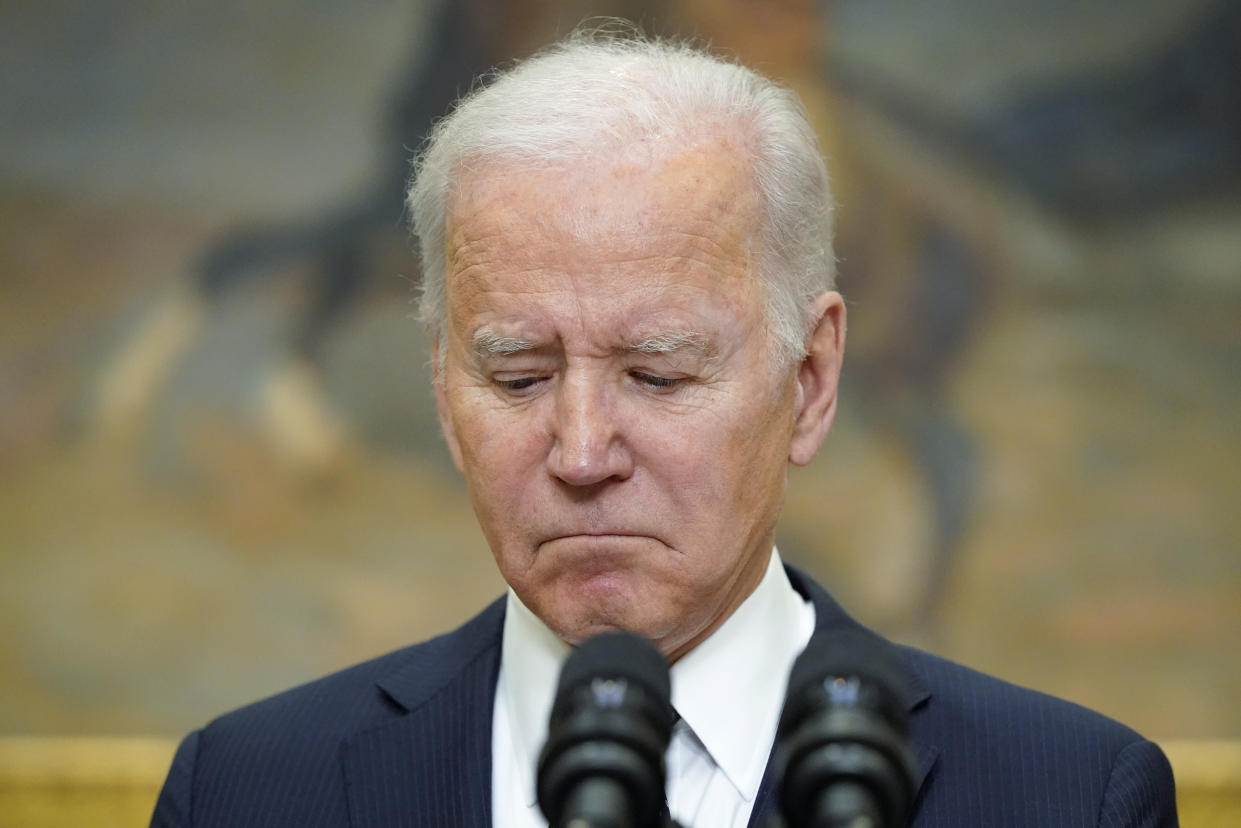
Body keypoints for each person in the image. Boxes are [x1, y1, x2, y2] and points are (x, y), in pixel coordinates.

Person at [150, 28, 1177, 828]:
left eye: (657, 373)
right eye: (516, 376)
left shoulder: (1066, 797)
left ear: (811, 381)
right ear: (443, 396)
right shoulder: (250, 791)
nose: (583, 452)